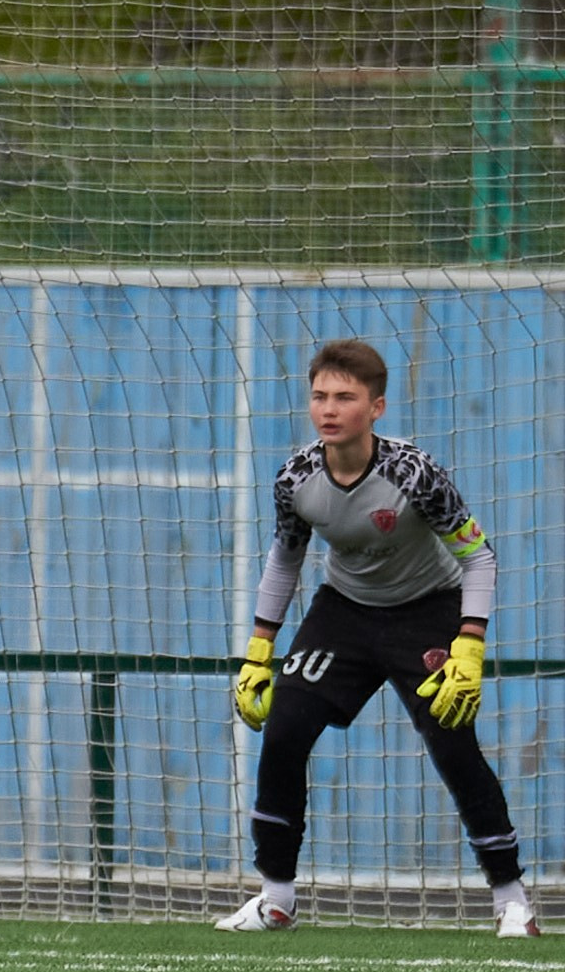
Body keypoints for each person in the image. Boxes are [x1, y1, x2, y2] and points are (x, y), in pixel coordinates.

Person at [222, 337, 538, 938]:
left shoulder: (414, 473)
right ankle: (276, 898)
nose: (329, 408)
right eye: (319, 396)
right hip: (344, 612)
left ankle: (511, 900)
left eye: (345, 396)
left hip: (429, 611)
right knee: (285, 726)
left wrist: (469, 645)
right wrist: (259, 650)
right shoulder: (295, 479)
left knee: (452, 744)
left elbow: (479, 558)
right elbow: (285, 561)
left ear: (377, 407)